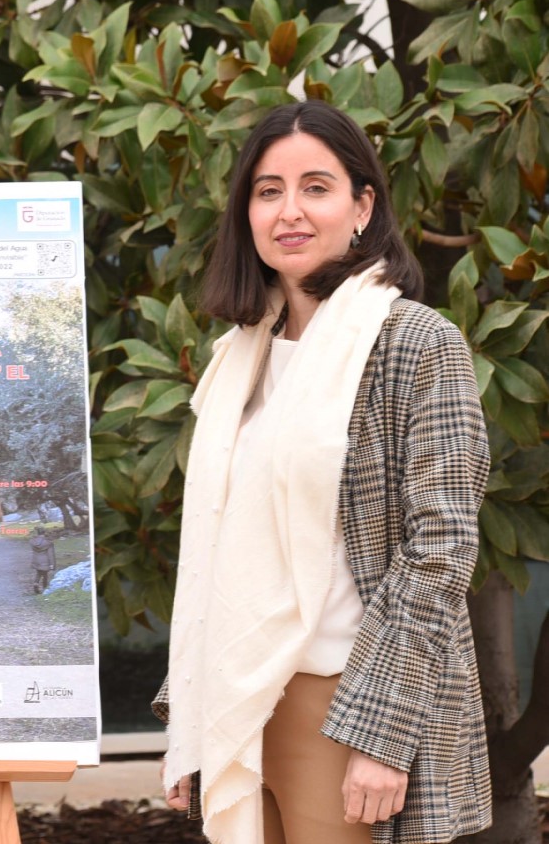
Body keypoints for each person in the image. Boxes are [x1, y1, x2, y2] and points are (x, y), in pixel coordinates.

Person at [154, 101, 490, 843]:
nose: (289, 211)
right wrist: (189, 708)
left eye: (316, 186)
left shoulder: (414, 344)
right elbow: (218, 547)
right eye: (268, 191)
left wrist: (382, 733)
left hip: (344, 701)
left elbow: (440, 550)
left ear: (363, 205)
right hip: (242, 699)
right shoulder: (239, 357)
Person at [28, 524, 55, 592]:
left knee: (38, 573)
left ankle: (36, 583)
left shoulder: (32, 541)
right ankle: (45, 587)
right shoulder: (48, 542)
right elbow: (50, 554)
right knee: (45, 575)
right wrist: (52, 564)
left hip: (36, 560)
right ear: (44, 532)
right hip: (45, 561)